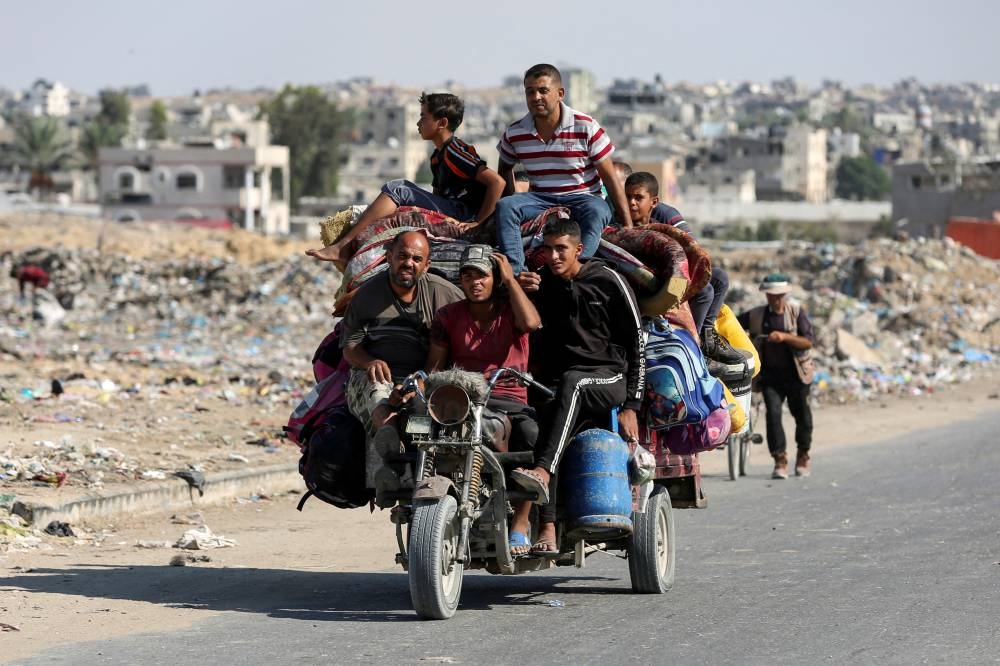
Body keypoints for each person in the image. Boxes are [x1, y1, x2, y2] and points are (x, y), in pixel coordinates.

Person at [511, 217, 645, 556]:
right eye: (548, 250)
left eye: (562, 250)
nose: (554, 257)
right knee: (538, 427)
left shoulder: (608, 280)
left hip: (607, 377)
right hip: (560, 385)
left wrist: (632, 405)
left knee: (574, 382)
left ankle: (543, 471)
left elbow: (638, 342)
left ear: (579, 250)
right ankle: (548, 527)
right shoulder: (542, 285)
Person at [424, 244, 542, 555]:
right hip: (463, 399)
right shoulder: (448, 315)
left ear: (494, 279)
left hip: (508, 397)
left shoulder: (512, 309)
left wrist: (510, 278)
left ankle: (521, 521)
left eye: (483, 275)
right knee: (420, 433)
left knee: (530, 435)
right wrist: (421, 388)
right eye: (468, 275)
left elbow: (531, 323)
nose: (475, 282)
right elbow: (434, 366)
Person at [308, 93, 505, 265]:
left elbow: (497, 183)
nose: (418, 123)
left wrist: (478, 223)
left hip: (464, 213)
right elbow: (436, 199)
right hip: (451, 208)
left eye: (423, 117)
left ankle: (343, 246)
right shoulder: (437, 157)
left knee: (398, 188)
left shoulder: (455, 151)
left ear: (442, 123)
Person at [338, 231, 463, 500]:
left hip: (425, 378)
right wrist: (369, 360)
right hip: (376, 374)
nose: (409, 263)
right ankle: (389, 462)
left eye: (417, 259)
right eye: (402, 256)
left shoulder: (445, 295)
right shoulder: (366, 297)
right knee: (380, 396)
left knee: (432, 409)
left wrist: (422, 381)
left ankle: (413, 469)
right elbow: (350, 348)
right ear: (389, 258)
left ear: (427, 265)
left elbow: (461, 342)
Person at [494, 64, 632, 274]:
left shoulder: (585, 126)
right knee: (506, 206)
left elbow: (609, 176)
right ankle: (517, 272)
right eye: (530, 91)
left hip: (583, 197)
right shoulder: (516, 133)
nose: (536, 97)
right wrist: (515, 203)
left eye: (543, 90)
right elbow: (504, 169)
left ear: (560, 93)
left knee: (597, 210)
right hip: (540, 199)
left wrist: (627, 224)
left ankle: (580, 266)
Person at [621, 170, 745, 365]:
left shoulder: (663, 221)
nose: (631, 203)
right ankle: (691, 347)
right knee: (705, 291)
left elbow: (690, 248)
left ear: (654, 202)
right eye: (628, 197)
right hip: (650, 282)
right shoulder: (619, 225)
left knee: (719, 278)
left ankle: (705, 335)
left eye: (638, 198)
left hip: (674, 275)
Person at [737, 273, 816, 479]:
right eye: (771, 295)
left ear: (785, 294)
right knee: (773, 414)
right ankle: (779, 459)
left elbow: (807, 342)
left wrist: (785, 337)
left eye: (778, 295)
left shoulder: (796, 312)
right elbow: (734, 327)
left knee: (803, 416)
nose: (775, 299)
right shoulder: (756, 315)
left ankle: (803, 455)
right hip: (771, 376)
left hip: (797, 375)